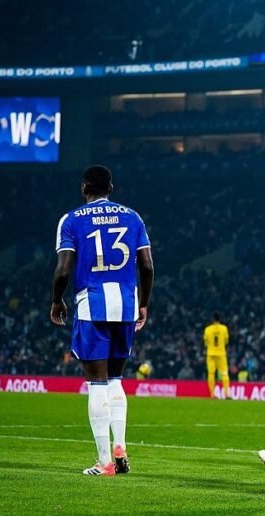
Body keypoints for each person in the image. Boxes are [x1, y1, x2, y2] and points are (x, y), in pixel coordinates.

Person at [51, 165, 155, 476]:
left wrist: (56, 299)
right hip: (126, 305)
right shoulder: (132, 217)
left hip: (92, 305)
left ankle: (104, 461)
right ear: (110, 188)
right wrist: (143, 303)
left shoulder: (71, 220)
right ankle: (120, 446)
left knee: (96, 383)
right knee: (116, 379)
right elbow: (147, 267)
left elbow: (63, 269)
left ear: (84, 188)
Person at [203, 313, 231, 398]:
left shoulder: (207, 329)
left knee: (211, 373)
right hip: (221, 354)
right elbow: (226, 341)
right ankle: (226, 394)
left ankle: (212, 394)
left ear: (212, 319)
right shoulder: (224, 328)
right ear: (220, 319)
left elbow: (206, 342)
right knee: (224, 373)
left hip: (210, 354)